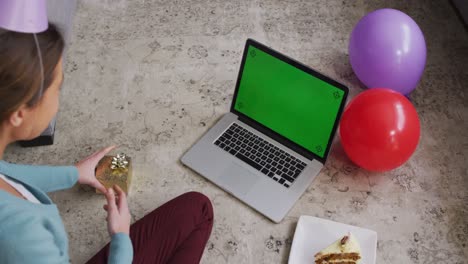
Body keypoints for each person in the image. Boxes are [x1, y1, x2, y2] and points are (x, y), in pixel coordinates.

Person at [0, 24, 213, 264]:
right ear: (19, 113)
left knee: (193, 208)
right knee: (200, 209)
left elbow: (7, 174)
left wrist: (74, 173)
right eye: (57, 88)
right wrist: (121, 236)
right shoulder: (23, 237)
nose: (58, 101)